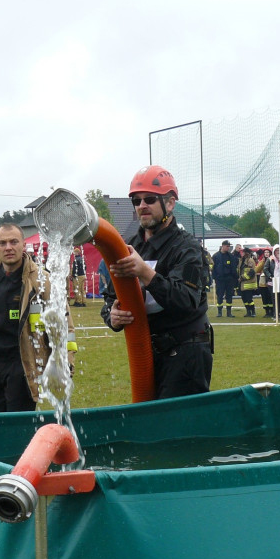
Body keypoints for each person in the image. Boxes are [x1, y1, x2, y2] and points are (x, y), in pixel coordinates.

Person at [102, 165, 212, 399]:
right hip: (146, 350)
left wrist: (145, 273)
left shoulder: (187, 248)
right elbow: (110, 297)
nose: (142, 206)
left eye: (150, 199)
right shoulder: (129, 245)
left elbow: (186, 300)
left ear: (170, 203)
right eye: (136, 200)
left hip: (186, 351)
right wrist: (112, 316)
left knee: (177, 425)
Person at [0, 223, 76, 412]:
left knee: (19, 425)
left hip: (24, 364)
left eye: (13, 242)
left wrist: (66, 363)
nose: (8, 247)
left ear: (23, 245)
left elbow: (64, 325)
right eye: (2, 243)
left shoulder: (41, 281)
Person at [211, 240, 238, 318]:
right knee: (220, 295)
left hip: (229, 279)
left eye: (229, 246)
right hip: (220, 279)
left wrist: (234, 277)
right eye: (227, 246)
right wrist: (215, 277)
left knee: (229, 295)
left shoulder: (231, 256)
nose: (228, 248)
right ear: (222, 246)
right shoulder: (216, 256)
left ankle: (229, 312)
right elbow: (213, 268)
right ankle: (219, 312)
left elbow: (233, 267)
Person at [254, 248, 275, 318]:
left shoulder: (272, 260)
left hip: (270, 280)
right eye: (265, 252)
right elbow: (256, 270)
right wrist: (262, 262)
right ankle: (267, 312)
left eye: (268, 252)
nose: (266, 253)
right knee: (264, 297)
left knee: (270, 297)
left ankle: (272, 311)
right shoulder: (262, 261)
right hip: (263, 281)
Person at [238, 247, 259, 317]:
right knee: (244, 298)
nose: (242, 254)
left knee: (249, 299)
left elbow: (251, 272)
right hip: (243, 284)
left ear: (246, 253)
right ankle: (248, 312)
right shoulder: (242, 260)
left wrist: (242, 278)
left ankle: (253, 311)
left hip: (249, 283)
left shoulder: (250, 261)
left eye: (243, 252)